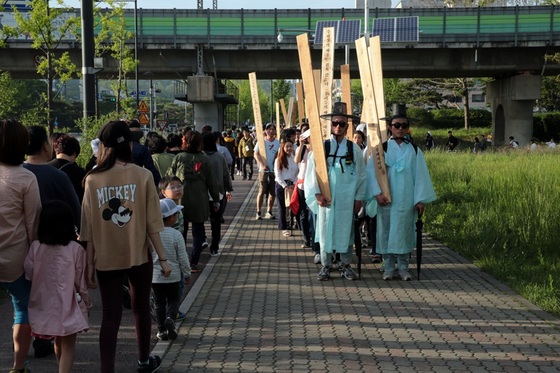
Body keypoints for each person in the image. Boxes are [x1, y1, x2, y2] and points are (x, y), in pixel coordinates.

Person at [80, 120, 172, 373]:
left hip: (105, 256)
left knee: (110, 314)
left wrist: (89, 264)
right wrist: (163, 259)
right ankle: (143, 362)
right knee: (141, 308)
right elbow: (154, 222)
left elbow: (87, 226)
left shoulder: (92, 179)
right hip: (139, 254)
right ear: (129, 144)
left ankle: (106, 369)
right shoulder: (142, 175)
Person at [369, 104, 437, 281]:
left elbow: (420, 176)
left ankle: (404, 267)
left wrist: (420, 199)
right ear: (390, 127)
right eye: (396, 125)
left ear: (408, 128)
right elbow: (371, 174)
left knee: (405, 231)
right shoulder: (380, 150)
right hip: (387, 199)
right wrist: (377, 194)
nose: (400, 129)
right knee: (386, 231)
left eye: (404, 126)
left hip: (406, 199)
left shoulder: (414, 150)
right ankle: (389, 267)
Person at [24, 200, 91, 373]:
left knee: (58, 341)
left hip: (44, 304)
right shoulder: (76, 250)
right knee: (68, 346)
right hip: (69, 304)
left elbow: (29, 273)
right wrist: (87, 303)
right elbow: (81, 284)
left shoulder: (35, 247)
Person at [304, 102, 366, 281]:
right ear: (330, 125)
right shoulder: (322, 147)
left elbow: (361, 176)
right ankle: (326, 265)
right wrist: (316, 194)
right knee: (325, 230)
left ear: (347, 126)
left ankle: (345, 264)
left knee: (346, 232)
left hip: (347, 199)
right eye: (335, 123)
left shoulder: (353, 149)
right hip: (327, 199)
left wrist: (359, 198)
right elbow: (312, 173)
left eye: (342, 124)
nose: (338, 127)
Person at [0, 119, 41, 373]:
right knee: (22, 308)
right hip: (15, 257)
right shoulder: (26, 178)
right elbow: (33, 224)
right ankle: (18, 366)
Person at [167, 130, 219, 272]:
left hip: (180, 200)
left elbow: (168, 176)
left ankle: (181, 261)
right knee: (198, 230)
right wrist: (215, 200)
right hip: (200, 200)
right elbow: (212, 183)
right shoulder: (205, 159)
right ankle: (194, 262)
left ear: (187, 141)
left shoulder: (179, 158)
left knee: (180, 232)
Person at [152, 198, 191, 341]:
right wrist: (187, 274)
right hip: (173, 275)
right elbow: (183, 257)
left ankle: (161, 330)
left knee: (159, 303)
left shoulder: (151, 234)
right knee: (174, 300)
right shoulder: (176, 235)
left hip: (155, 277)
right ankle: (170, 318)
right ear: (171, 218)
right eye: (176, 214)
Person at [202, 132, 233, 256]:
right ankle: (214, 246)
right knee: (216, 222)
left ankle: (202, 239)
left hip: (202, 193)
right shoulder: (219, 157)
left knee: (199, 220)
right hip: (218, 194)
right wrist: (228, 189)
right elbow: (226, 174)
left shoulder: (200, 156)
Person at [48, 134, 86, 202]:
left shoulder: (46, 168)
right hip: (70, 210)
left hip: (48, 209)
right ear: (74, 154)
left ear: (56, 150)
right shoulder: (79, 172)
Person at [254, 123, 280, 220]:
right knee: (261, 191)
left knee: (272, 192)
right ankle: (258, 211)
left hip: (274, 170)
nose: (271, 131)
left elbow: (279, 155)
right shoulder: (261, 142)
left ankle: (269, 211)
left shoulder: (278, 143)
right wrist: (262, 164)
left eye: (273, 129)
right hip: (263, 170)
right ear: (265, 130)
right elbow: (256, 154)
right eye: (269, 129)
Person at [274, 139, 299, 237]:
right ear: (283, 148)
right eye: (286, 146)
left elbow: (299, 172)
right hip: (281, 185)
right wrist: (285, 185)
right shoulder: (278, 159)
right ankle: (284, 227)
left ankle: (292, 225)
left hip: (293, 184)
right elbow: (278, 174)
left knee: (292, 206)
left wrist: (294, 183)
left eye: (290, 146)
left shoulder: (295, 158)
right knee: (282, 207)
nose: (289, 148)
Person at [127, 119, 161, 186]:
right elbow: (151, 169)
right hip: (137, 182)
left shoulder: (115, 148)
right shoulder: (142, 149)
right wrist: (161, 184)